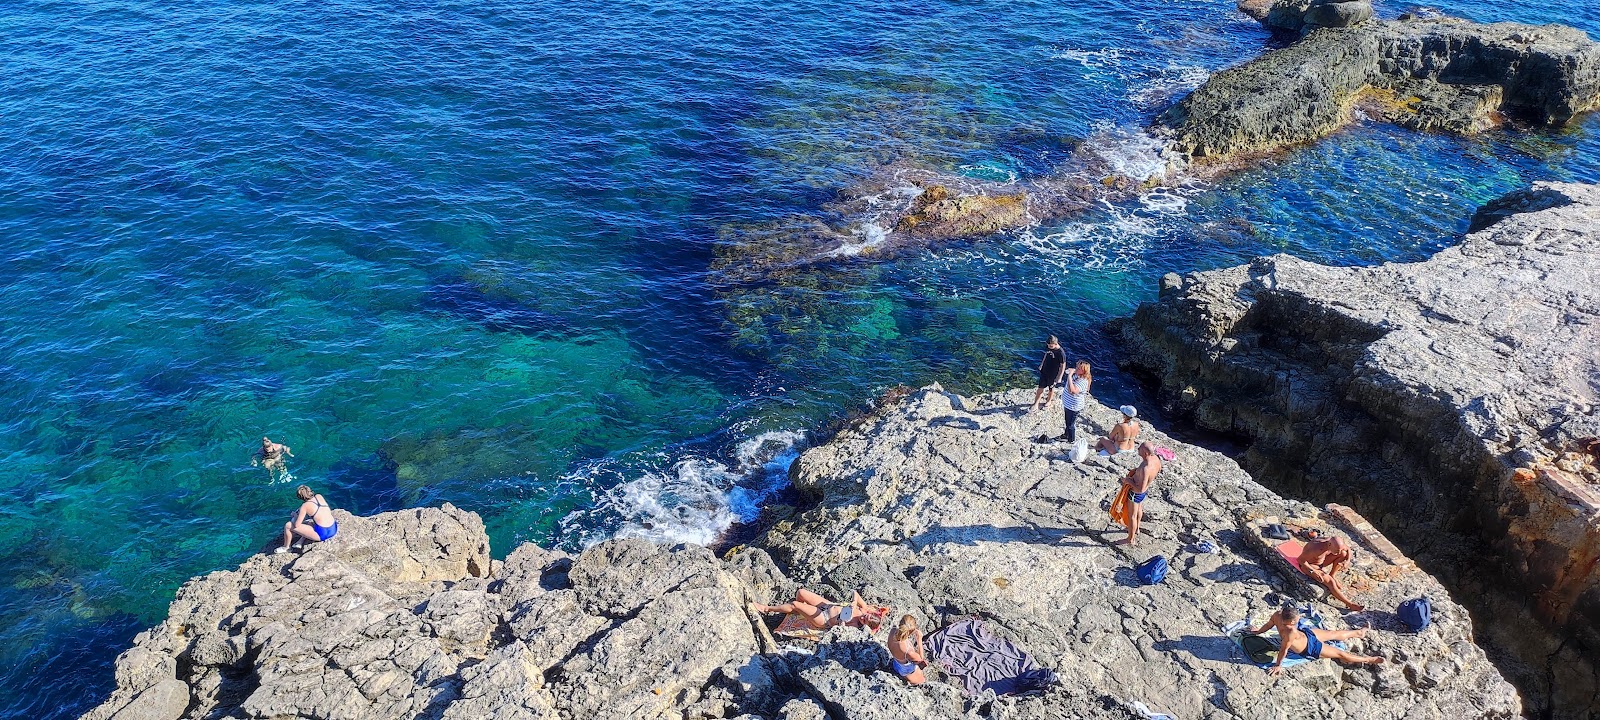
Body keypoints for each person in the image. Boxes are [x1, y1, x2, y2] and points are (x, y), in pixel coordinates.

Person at [1246, 602, 1383, 676]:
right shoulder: (1289, 633)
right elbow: (1283, 650)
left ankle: (1359, 633)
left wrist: (1258, 631)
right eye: (1297, 618)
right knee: (1341, 654)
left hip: (1306, 635)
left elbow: (1269, 625)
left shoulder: (1278, 615)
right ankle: (1370, 660)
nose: (1299, 618)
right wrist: (1278, 665)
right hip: (1309, 648)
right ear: (1292, 622)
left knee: (1331, 633)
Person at [752, 588, 888, 631]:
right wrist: (853, 603)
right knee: (801, 593)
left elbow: (840, 631)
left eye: (865, 621)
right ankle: (799, 611)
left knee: (794, 604)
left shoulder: (856, 626)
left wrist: (842, 623)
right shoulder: (863, 610)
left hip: (824, 618)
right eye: (867, 616)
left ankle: (766, 609)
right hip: (829, 605)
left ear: (866, 626)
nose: (863, 618)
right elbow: (855, 593)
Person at [1300, 533, 1364, 611]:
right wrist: (1313, 571)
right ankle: (1350, 604)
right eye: (1337, 550)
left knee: (1343, 554)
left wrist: (1347, 561)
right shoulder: (1316, 549)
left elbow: (1347, 549)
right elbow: (1300, 560)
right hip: (1310, 565)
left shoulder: (1333, 543)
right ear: (1330, 544)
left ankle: (1332, 574)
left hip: (1321, 562)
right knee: (1331, 583)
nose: (1338, 552)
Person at [1118, 442, 1161, 546]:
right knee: (1139, 508)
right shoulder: (1156, 459)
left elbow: (1140, 489)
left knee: (1132, 516)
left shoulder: (1145, 468)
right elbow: (1158, 470)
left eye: (1140, 449)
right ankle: (1136, 529)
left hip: (1135, 493)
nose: (1137, 449)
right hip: (1145, 491)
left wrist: (1129, 481)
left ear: (1145, 453)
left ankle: (1130, 539)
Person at [277, 485, 337, 554]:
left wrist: (295, 515)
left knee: (288, 526)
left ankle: (286, 547)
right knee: (309, 523)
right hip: (333, 528)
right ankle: (300, 541)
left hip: (323, 534)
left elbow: (297, 525)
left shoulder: (305, 506)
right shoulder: (319, 496)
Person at [1028, 337, 1067, 411]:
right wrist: (1042, 364)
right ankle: (1036, 403)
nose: (1049, 347)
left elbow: (1063, 366)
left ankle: (1049, 401)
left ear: (1056, 344)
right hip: (1045, 370)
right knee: (1040, 388)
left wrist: (1059, 377)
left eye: (1051, 346)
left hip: (1053, 373)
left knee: (1051, 388)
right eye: (1048, 345)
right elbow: (1046, 354)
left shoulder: (1061, 353)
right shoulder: (1049, 346)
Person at [887, 614, 929, 684]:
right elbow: (921, 660)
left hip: (896, 663)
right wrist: (919, 640)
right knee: (922, 681)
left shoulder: (893, 630)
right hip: (905, 669)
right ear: (911, 631)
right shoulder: (908, 651)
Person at [1058, 361, 1092, 442]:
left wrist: (1069, 375)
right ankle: (1066, 435)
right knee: (1067, 421)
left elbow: (1072, 391)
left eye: (1079, 368)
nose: (1076, 369)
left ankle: (1071, 439)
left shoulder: (1083, 381)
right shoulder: (1077, 374)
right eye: (1076, 367)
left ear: (1084, 371)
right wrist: (1069, 371)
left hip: (1073, 407)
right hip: (1068, 404)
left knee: (1070, 425)